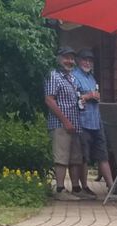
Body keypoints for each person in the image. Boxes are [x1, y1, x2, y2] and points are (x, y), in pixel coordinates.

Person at [44, 47, 88, 201]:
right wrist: (65, 120)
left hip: (75, 123)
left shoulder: (72, 78)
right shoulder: (53, 76)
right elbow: (49, 99)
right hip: (61, 123)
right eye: (66, 58)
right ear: (59, 59)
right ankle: (60, 189)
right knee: (61, 157)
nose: (69, 61)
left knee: (75, 158)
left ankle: (76, 189)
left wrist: (81, 101)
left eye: (71, 58)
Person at [72, 48, 112, 193]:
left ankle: (111, 186)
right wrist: (89, 96)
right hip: (82, 122)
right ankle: (84, 187)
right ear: (78, 61)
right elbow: (74, 99)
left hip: (96, 120)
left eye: (90, 60)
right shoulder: (74, 76)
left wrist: (96, 96)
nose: (87, 63)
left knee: (103, 154)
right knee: (83, 157)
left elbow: (95, 95)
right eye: (85, 59)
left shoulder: (92, 78)